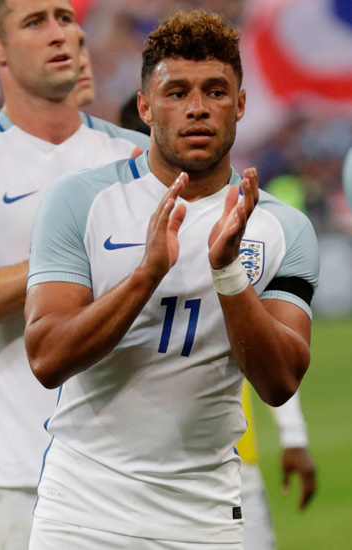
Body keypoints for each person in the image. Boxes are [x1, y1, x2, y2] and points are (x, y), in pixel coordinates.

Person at [24, 10, 318, 549]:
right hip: (80, 515)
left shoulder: (282, 228)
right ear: (144, 105)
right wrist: (147, 274)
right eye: (176, 92)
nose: (198, 108)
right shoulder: (80, 202)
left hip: (205, 523)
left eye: (216, 91)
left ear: (242, 104)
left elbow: (279, 385)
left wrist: (228, 272)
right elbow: (46, 358)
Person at [0, 1, 148, 547]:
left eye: (64, 18)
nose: (59, 33)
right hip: (21, 475)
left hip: (138, 470)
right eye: (35, 22)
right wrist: (79, 263)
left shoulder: (139, 156)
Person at [117, 84, 319, 550]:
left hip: (226, 462)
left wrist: (293, 434)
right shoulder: (104, 235)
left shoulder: (234, 234)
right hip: (117, 480)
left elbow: (273, 349)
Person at [237, 385, 316, 550]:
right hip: (235, 467)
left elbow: (270, 361)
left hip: (237, 468)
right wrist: (294, 437)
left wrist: (294, 437)